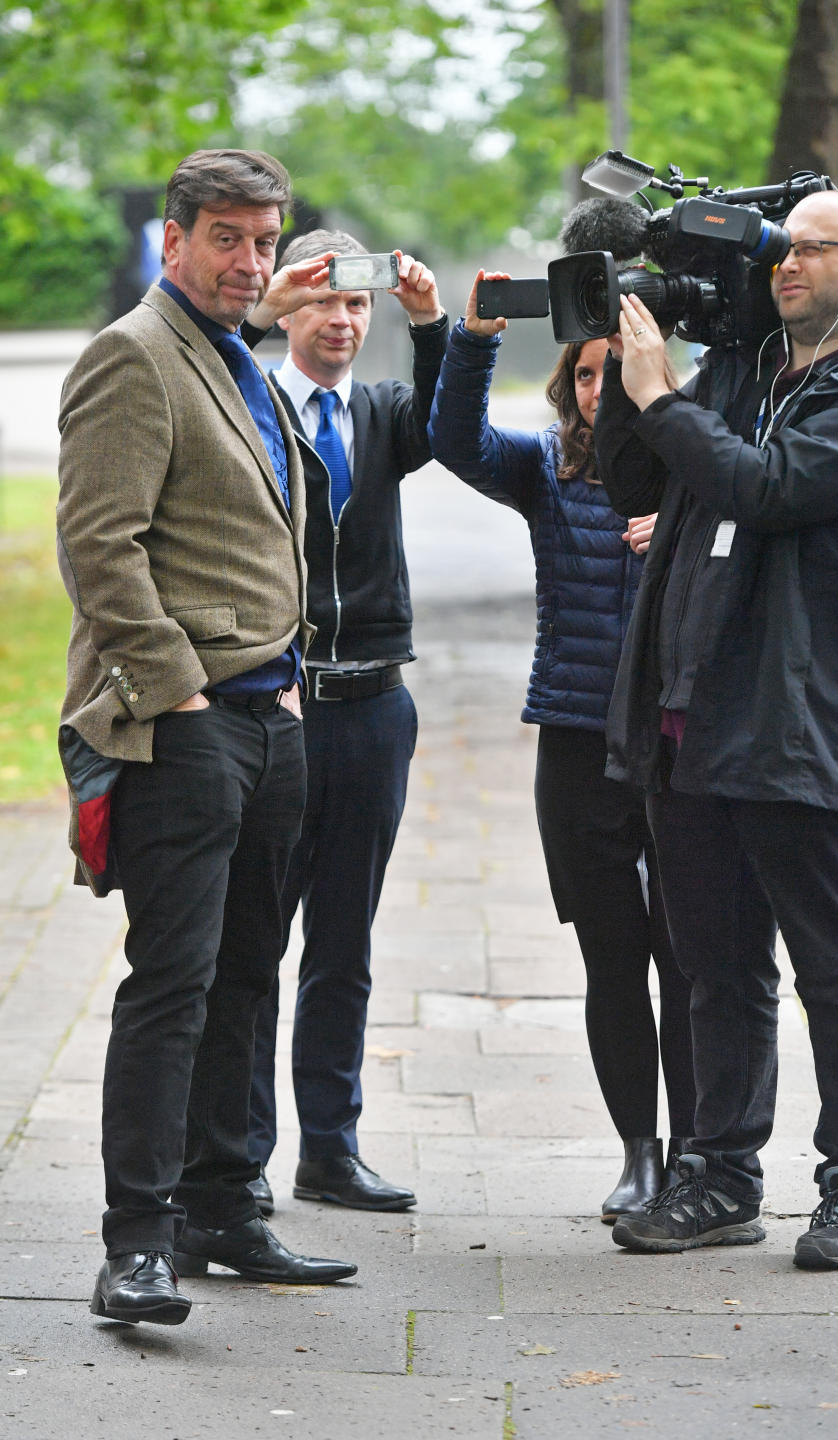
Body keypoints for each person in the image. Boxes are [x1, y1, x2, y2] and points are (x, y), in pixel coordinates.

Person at [593, 190, 838, 1267]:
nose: (784, 263)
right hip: (690, 708)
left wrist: (662, 397)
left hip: (803, 715)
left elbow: (769, 486)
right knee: (716, 963)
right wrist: (625, 372)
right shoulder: (747, 369)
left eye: (809, 248)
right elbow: (635, 475)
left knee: (835, 961)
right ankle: (720, 1175)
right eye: (779, 249)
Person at [57, 149, 357, 1328]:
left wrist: (275, 691)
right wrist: (179, 692)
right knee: (172, 985)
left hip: (268, 714)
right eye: (227, 238)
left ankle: (224, 1207)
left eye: (265, 240)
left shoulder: (234, 355)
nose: (250, 262)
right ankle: (136, 1242)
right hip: (182, 727)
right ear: (173, 242)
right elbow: (101, 550)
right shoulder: (132, 356)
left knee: (245, 975)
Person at [428, 271, 696, 1221]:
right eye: (586, 374)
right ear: (568, 387)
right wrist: (472, 340)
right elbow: (452, 442)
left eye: (617, 369)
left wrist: (684, 533)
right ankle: (641, 1153)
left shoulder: (699, 471)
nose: (600, 388)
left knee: (691, 954)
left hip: (678, 745)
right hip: (580, 743)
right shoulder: (552, 470)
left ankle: (704, 1156)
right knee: (613, 956)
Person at [237, 228, 448, 1215]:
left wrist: (434, 324)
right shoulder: (245, 401)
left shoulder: (385, 413)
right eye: (322, 299)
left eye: (357, 304)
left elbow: (459, 426)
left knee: (344, 941)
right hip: (274, 710)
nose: (341, 318)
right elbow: (194, 352)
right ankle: (234, 1158)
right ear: (287, 309)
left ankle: (331, 1145)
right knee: (251, 940)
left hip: (371, 708)